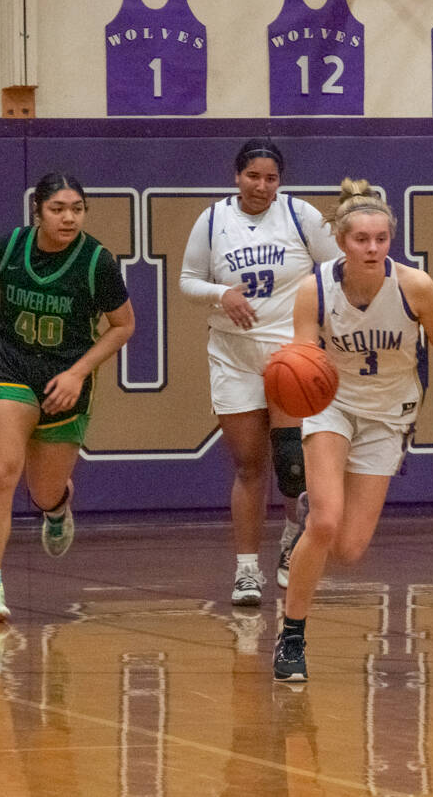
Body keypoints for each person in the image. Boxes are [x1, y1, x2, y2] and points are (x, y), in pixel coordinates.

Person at [272, 180, 433, 682]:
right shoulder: (314, 288)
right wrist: (292, 389)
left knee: (351, 548)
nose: (373, 248)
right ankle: (292, 635)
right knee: (324, 522)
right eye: (362, 238)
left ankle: (310, 514)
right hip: (331, 406)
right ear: (341, 240)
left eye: (381, 238)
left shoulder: (416, 287)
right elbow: (304, 361)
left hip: (389, 413)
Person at [0, 173, 136, 623]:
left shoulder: (97, 261)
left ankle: (57, 506)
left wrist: (79, 373)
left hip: (65, 376)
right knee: (0, 473)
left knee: (42, 491)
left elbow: (123, 325)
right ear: (37, 210)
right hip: (11, 364)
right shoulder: (5, 249)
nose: (68, 217)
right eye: (58, 208)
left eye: (77, 208)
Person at [179, 138, 339, 606]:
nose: (262, 185)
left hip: (291, 353)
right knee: (249, 465)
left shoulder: (301, 216)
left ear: (280, 181)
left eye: (271, 178)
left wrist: (316, 328)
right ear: (237, 176)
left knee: (292, 466)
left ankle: (293, 535)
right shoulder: (212, 221)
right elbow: (187, 281)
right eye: (253, 176)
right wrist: (219, 294)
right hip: (234, 353)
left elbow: (335, 272)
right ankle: (246, 570)